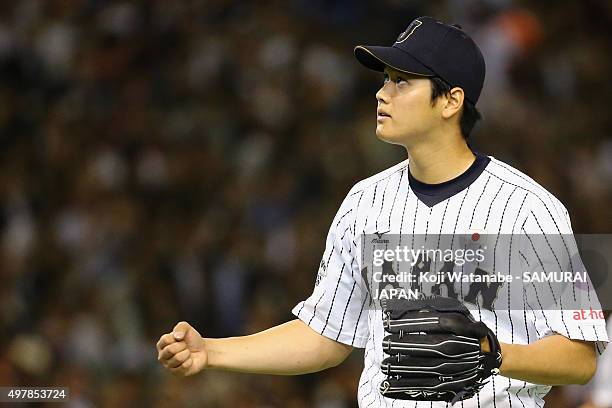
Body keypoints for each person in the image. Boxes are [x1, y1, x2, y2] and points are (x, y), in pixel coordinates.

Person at [156, 16, 608, 407]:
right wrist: (212, 352)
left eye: (402, 81)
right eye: (385, 78)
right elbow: (326, 335)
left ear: (451, 101)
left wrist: (493, 354)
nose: (382, 93)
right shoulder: (364, 202)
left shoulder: (528, 209)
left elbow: (582, 358)